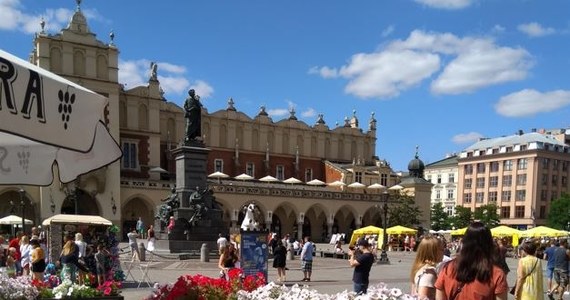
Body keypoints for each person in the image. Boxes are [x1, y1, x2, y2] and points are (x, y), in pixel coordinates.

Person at [434, 222, 509, 300]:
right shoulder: (496, 274)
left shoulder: (447, 268)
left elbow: (439, 297)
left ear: (464, 242)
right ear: (489, 244)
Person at [410, 235, 444, 300]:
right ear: (433, 252)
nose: (443, 252)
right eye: (441, 250)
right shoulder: (428, 274)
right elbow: (422, 297)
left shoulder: (420, 268)